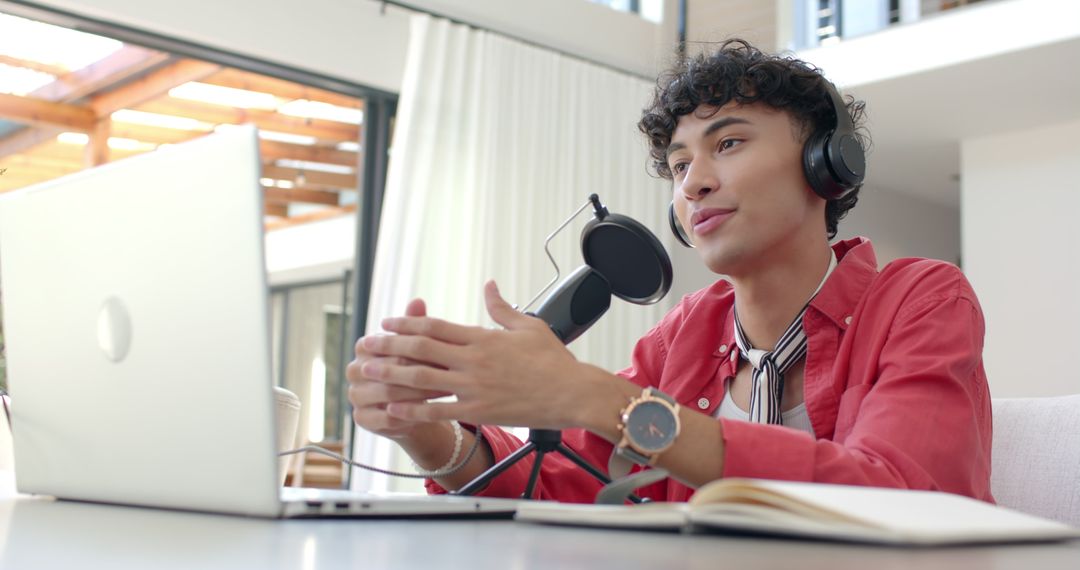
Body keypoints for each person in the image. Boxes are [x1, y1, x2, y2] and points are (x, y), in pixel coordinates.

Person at [345, 39, 993, 503]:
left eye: (729, 144)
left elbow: (899, 498)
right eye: (679, 166)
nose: (695, 184)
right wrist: (428, 434)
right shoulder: (689, 330)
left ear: (827, 167)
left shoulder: (922, 298)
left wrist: (595, 397)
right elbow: (565, 483)